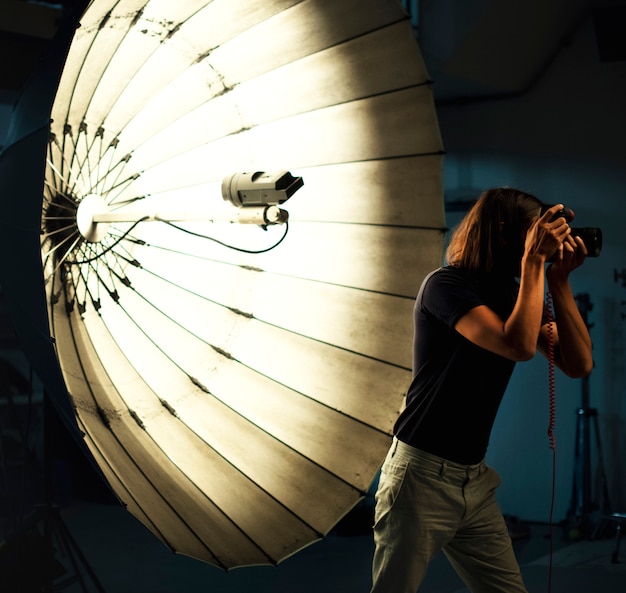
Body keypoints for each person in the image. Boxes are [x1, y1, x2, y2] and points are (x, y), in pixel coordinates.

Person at [370, 187, 593, 593]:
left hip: (473, 480)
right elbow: (517, 346)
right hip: (420, 477)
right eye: (536, 232)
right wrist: (533, 264)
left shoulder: (512, 292)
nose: (544, 240)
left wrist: (558, 281)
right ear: (505, 232)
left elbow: (578, 364)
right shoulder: (444, 286)